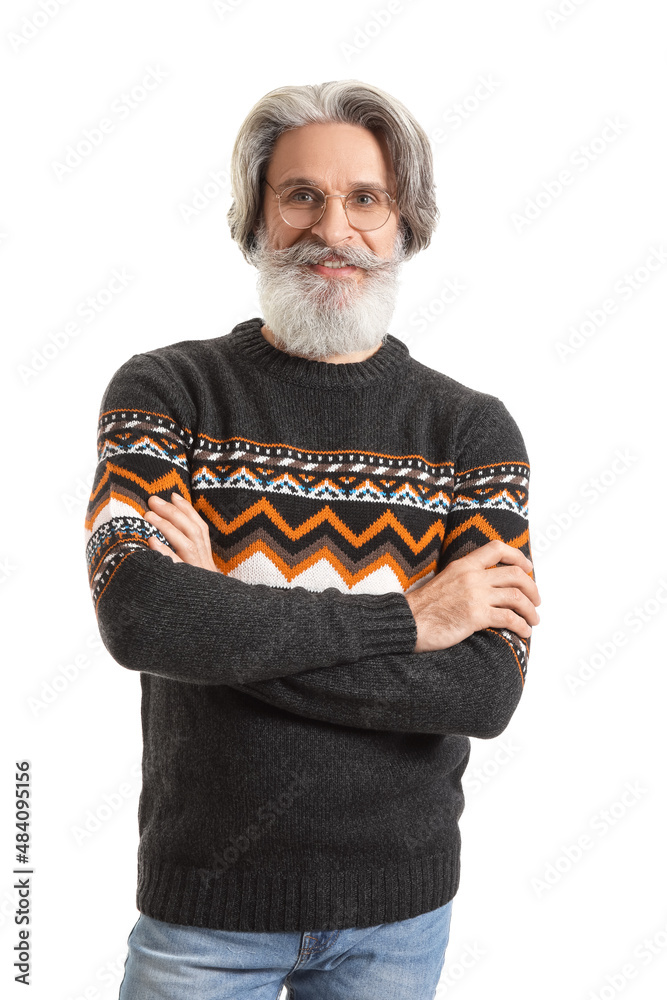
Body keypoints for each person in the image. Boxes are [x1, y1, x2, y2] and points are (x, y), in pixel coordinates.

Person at [84, 79, 541, 1000]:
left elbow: (484, 688)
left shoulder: (471, 432)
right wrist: (409, 618)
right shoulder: (166, 392)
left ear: (405, 223)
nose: (332, 228)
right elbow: (141, 617)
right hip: (203, 912)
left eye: (364, 198)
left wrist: (226, 611)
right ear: (253, 218)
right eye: (300, 195)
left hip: (400, 918)